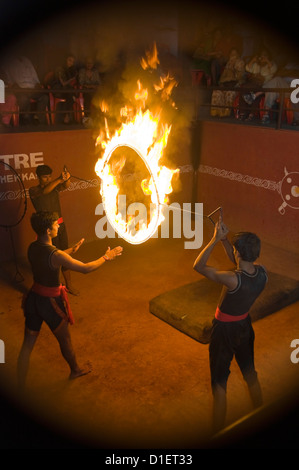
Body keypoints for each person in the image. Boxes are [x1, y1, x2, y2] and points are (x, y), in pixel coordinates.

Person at [17, 211, 123, 390]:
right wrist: (107, 256)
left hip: (34, 298)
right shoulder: (56, 254)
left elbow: (50, 258)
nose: (58, 225)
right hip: (50, 303)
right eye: (55, 224)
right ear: (48, 230)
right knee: (65, 340)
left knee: (27, 345)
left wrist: (70, 251)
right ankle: (75, 370)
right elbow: (85, 268)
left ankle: (19, 385)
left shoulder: (33, 247)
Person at [193, 214, 267, 433]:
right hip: (245, 327)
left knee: (219, 385)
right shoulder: (262, 273)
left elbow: (198, 266)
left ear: (238, 253)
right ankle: (261, 412)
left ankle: (217, 434)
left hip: (224, 332)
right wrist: (227, 241)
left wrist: (215, 239)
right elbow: (239, 263)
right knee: (250, 373)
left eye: (235, 250)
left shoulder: (231, 278)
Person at [29, 164, 78, 295]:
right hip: (46, 230)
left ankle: (69, 285)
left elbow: (66, 186)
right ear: (37, 177)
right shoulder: (33, 190)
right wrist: (58, 179)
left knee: (65, 255)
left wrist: (66, 178)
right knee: (53, 258)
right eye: (45, 177)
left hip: (60, 226)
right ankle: (55, 287)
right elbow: (45, 191)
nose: (48, 179)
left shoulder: (54, 187)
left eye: (49, 177)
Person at [3, 55, 49, 125]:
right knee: (24, 99)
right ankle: (26, 119)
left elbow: (34, 76)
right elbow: (9, 79)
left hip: (32, 88)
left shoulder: (27, 60)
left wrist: (38, 84)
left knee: (44, 97)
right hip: (21, 89)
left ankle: (39, 119)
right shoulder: (10, 62)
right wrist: (13, 86)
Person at [238, 49, 277, 121]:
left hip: (263, 85)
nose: (263, 57)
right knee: (243, 89)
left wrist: (267, 61)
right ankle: (242, 113)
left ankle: (251, 114)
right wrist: (253, 60)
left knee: (256, 93)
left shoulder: (271, 64)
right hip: (252, 83)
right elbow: (247, 68)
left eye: (265, 55)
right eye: (262, 55)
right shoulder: (256, 64)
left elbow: (273, 69)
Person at [210, 48, 245, 117]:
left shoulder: (240, 62)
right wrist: (221, 83)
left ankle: (227, 112)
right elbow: (223, 75)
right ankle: (217, 111)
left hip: (235, 85)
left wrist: (232, 68)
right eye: (231, 54)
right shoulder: (229, 63)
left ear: (238, 54)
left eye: (234, 54)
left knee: (229, 92)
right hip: (226, 83)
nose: (232, 55)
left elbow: (239, 77)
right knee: (217, 92)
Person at [78, 56, 101, 125]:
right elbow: (81, 82)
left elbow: (99, 82)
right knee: (87, 98)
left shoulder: (95, 72)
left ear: (93, 64)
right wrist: (89, 86)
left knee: (98, 99)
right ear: (85, 64)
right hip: (86, 91)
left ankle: (97, 118)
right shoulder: (82, 71)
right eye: (88, 63)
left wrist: (92, 86)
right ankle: (87, 118)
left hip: (94, 91)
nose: (89, 65)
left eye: (91, 63)